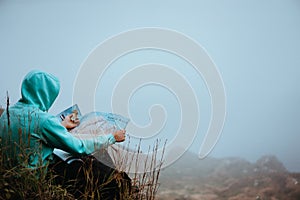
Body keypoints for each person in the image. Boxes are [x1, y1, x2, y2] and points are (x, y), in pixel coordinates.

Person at [0, 70, 130, 199]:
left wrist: (62, 126)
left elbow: (31, 133)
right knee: (90, 163)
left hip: (12, 176)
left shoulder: (7, 114)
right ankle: (122, 184)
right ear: (46, 94)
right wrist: (113, 137)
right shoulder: (44, 120)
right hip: (38, 177)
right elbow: (80, 148)